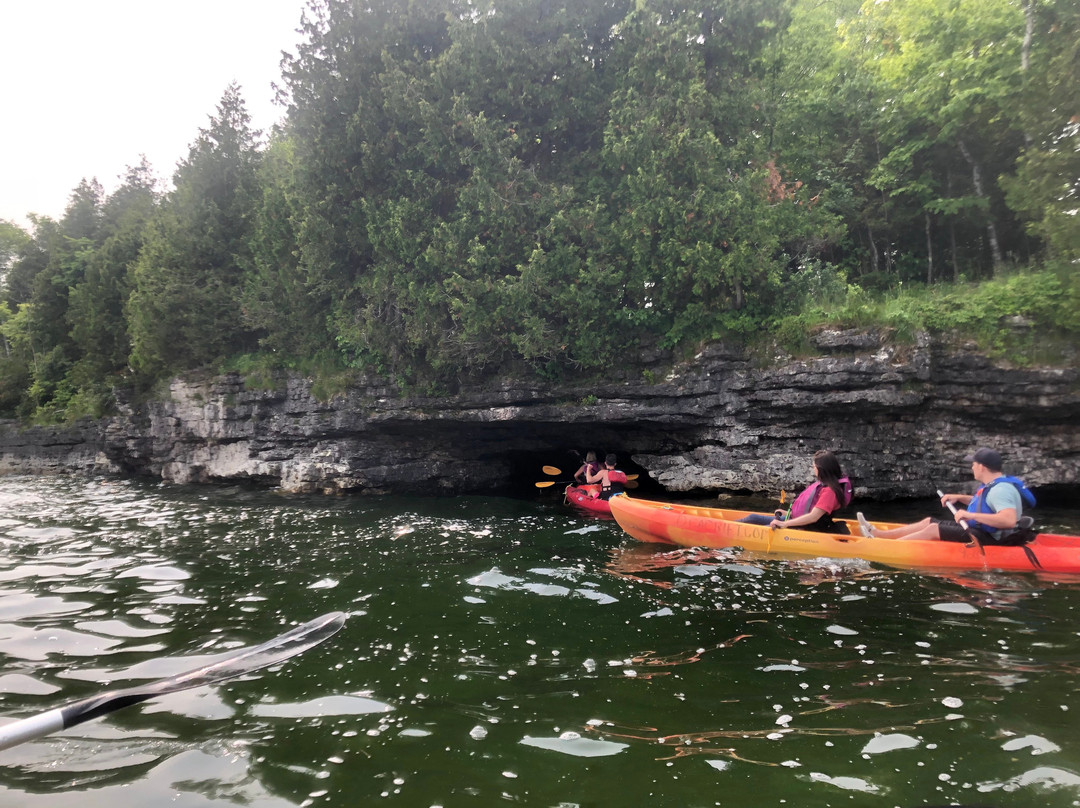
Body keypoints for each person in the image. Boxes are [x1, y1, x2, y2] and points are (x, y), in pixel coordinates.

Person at [858, 447, 1031, 543]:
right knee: (929, 522)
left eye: (973, 464)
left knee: (933, 529)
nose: (972, 467)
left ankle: (885, 547)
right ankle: (878, 535)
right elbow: (987, 503)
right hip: (981, 530)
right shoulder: (995, 485)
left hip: (991, 539)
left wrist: (970, 515)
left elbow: (1008, 520)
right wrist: (959, 498)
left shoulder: (1001, 490)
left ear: (982, 467)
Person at [738, 450, 853, 534]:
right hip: (797, 521)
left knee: (761, 529)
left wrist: (785, 524)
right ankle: (728, 527)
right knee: (752, 517)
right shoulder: (824, 484)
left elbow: (813, 517)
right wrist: (788, 513)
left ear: (821, 469)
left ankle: (732, 533)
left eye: (814, 467)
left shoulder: (830, 492)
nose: (813, 469)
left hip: (807, 528)